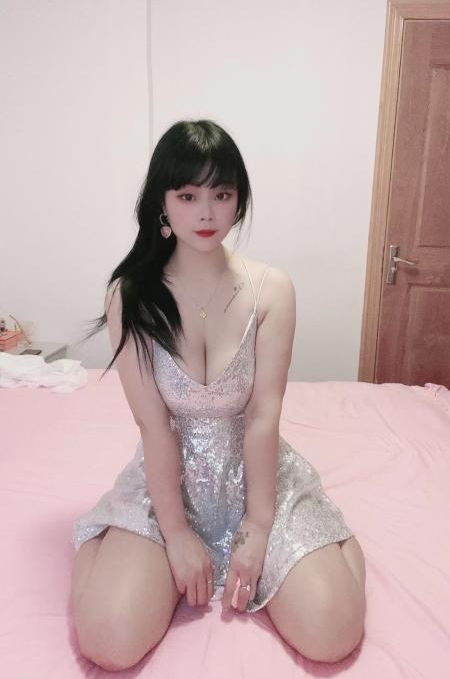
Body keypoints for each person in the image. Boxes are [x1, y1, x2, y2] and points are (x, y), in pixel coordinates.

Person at [71, 119, 366, 671]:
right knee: (107, 643)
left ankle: (335, 542)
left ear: (238, 200)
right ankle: (102, 543)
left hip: (256, 477)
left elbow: (262, 417)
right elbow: (154, 425)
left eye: (222, 194)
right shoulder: (131, 295)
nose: (206, 213)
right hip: (170, 480)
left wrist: (257, 527)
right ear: (162, 203)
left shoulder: (271, 289)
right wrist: (176, 533)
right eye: (188, 196)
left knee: (334, 633)